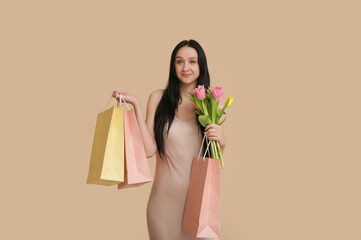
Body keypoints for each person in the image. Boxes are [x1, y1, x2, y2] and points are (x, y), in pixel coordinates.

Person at [112, 39, 226, 240]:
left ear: (201, 66)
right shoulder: (158, 98)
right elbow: (148, 150)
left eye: (192, 61)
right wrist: (136, 105)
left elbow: (213, 158)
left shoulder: (210, 102)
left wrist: (222, 142)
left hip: (199, 204)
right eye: (179, 61)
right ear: (173, 66)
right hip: (163, 205)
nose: (186, 67)